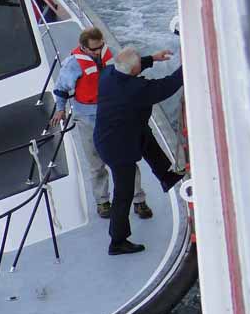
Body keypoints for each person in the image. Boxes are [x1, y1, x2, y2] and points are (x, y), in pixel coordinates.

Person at [51, 27, 173, 219]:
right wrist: (60, 109)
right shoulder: (72, 65)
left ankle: (139, 200)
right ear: (83, 47)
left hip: (112, 115)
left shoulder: (108, 54)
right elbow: (61, 89)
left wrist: (152, 59)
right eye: (94, 49)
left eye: (101, 47)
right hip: (88, 118)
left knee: (126, 159)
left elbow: (126, 66)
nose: (98, 52)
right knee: (95, 163)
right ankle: (102, 202)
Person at [94, 46, 184, 255]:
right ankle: (117, 241)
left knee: (145, 136)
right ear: (134, 71)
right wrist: (187, 65)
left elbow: (129, 67)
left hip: (116, 133)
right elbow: (167, 85)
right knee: (123, 193)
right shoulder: (136, 89)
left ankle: (166, 176)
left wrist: (152, 58)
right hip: (117, 148)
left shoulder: (108, 73)